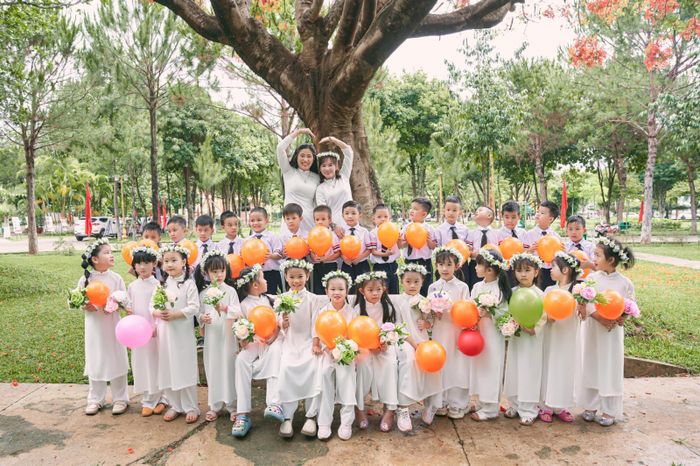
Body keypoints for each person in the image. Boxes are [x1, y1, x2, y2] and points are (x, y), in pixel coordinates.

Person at [579, 237, 636, 427]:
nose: (593, 258)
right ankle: (590, 406)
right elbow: (585, 302)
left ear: (611, 260)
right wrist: (599, 318)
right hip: (594, 329)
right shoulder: (592, 279)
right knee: (592, 364)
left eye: (597, 255)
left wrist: (622, 317)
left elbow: (630, 305)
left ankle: (609, 409)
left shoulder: (625, 283)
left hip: (612, 333)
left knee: (609, 366)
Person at [77, 238, 130, 416]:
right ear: (95, 259)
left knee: (116, 357)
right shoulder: (86, 279)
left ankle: (120, 398)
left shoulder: (116, 278)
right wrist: (84, 305)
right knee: (96, 358)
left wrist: (115, 305)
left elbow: (125, 300)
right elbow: (78, 300)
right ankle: (95, 399)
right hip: (95, 327)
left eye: (111, 252)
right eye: (106, 253)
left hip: (112, 324)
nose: (111, 255)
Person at [231, 265, 284, 438]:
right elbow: (242, 328)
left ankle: (274, 403)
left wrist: (274, 336)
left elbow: (278, 322)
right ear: (255, 285)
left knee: (275, 352)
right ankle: (242, 413)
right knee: (241, 360)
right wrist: (243, 338)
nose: (266, 281)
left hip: (274, 340)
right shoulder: (244, 305)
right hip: (256, 341)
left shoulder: (270, 300)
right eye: (263, 278)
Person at [152, 243, 201, 424]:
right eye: (166, 261)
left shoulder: (188, 284)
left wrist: (176, 315)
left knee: (184, 366)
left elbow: (194, 307)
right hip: (166, 332)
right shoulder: (161, 284)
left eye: (174, 260)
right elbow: (152, 306)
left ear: (184, 262)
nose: (170, 264)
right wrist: (158, 312)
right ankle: (175, 405)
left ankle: (191, 406)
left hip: (182, 332)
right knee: (169, 366)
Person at [393, 263, 443, 428]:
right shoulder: (398, 301)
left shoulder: (425, 301)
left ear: (422, 282)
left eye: (416, 281)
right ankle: (403, 408)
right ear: (402, 282)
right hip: (406, 340)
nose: (412, 285)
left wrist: (426, 324)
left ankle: (431, 405)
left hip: (423, 339)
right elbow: (397, 326)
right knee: (409, 361)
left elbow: (432, 321)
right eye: (408, 281)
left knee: (433, 363)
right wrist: (414, 344)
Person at [195, 249, 241, 423]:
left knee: (229, 367)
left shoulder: (230, 291)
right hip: (213, 335)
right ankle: (214, 405)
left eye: (222, 270)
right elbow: (199, 313)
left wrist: (225, 308)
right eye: (214, 271)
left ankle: (232, 405)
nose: (219, 275)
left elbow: (238, 312)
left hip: (227, 335)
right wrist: (202, 319)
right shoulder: (204, 294)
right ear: (207, 273)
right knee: (213, 367)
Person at [276, 259, 321, 438]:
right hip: (290, 340)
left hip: (308, 341)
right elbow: (277, 322)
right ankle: (287, 416)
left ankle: (311, 416)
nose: (296, 281)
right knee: (286, 368)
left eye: (300, 276)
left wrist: (315, 343)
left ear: (307, 276)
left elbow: (316, 323)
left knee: (313, 366)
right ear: (286, 277)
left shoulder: (313, 299)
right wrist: (283, 322)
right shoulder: (281, 299)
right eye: (292, 277)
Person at [424, 246, 470, 420]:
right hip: (440, 330)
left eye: (449, 265)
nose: (444, 268)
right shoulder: (433, 287)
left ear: (456, 266)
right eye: (441, 264)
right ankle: (440, 402)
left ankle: (457, 403)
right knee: (441, 363)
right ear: (436, 266)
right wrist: (432, 313)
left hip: (456, 330)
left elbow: (467, 310)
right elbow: (427, 311)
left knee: (457, 365)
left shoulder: (462, 287)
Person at [312, 271, 357, 440]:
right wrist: (320, 346)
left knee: (347, 377)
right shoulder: (322, 311)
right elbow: (317, 331)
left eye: (341, 289)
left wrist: (344, 351)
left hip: (345, 353)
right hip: (326, 352)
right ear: (326, 291)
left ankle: (346, 421)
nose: (336, 292)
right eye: (332, 289)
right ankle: (324, 422)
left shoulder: (351, 312)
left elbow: (354, 334)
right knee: (324, 375)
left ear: (347, 291)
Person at [502, 253, 546, 426]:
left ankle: (528, 409)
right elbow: (507, 312)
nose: (523, 274)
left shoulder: (540, 294)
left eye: (527, 270)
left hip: (532, 340)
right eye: (519, 270)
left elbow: (544, 315)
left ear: (536, 272)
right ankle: (514, 404)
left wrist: (534, 328)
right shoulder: (512, 293)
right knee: (514, 369)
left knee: (529, 371)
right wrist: (508, 325)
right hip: (516, 338)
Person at [469, 248, 512, 422]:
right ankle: (481, 401)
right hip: (479, 333)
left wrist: (490, 313)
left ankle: (491, 408)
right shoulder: (477, 287)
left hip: (493, 334)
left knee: (491, 367)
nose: (475, 267)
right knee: (480, 366)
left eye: (478, 265)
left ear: (489, 270)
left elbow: (505, 312)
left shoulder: (500, 289)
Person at [354, 271, 400, 432]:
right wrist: (366, 345)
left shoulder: (388, 307)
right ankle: (359, 408)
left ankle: (390, 409)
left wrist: (386, 342)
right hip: (364, 347)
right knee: (362, 365)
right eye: (370, 290)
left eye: (378, 289)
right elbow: (354, 332)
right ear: (362, 291)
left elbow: (393, 329)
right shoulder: (358, 309)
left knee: (390, 363)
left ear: (384, 289)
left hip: (383, 346)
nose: (375, 293)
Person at [540, 252, 581, 424]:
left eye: (553, 266)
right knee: (549, 366)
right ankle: (545, 405)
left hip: (568, 335)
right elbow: (542, 311)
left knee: (564, 368)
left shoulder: (578, 291)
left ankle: (561, 406)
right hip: (551, 334)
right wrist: (547, 317)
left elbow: (582, 313)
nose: (550, 269)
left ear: (565, 270)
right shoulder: (549, 290)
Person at [127, 246, 167, 417]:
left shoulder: (158, 285)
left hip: (153, 331)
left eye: (146, 263)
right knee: (141, 363)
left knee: (155, 362)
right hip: (138, 332)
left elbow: (161, 306)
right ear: (134, 266)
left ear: (154, 264)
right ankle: (147, 398)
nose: (142, 267)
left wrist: (156, 326)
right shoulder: (132, 286)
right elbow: (130, 308)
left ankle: (160, 398)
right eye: (138, 264)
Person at [277, 128, 320, 234]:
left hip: (310, 222)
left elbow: (317, 202)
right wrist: (298, 132)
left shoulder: (317, 177)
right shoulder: (288, 171)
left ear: (313, 159)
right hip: (290, 223)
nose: (305, 159)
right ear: (296, 157)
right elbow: (280, 148)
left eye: (309, 156)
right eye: (302, 155)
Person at [399, 197, 438, 296]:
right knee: (410, 286)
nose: (411, 210)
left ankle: (425, 303)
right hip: (410, 261)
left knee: (426, 285)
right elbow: (400, 245)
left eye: (415, 209)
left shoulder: (429, 229)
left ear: (424, 214)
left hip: (425, 261)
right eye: (411, 208)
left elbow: (433, 246)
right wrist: (406, 241)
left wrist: (428, 241)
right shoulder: (406, 227)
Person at [314, 136, 354, 229]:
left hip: (351, 223)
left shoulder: (344, 177)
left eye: (330, 165)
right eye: (323, 166)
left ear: (336, 166)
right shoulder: (320, 189)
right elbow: (323, 212)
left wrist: (333, 139)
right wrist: (334, 227)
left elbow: (349, 152)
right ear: (320, 169)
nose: (327, 169)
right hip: (334, 228)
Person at [245, 207, 284, 294]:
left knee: (271, 295)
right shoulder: (247, 241)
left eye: (259, 220)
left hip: (271, 273)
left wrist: (271, 256)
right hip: (255, 274)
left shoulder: (272, 237)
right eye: (252, 220)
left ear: (266, 220)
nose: (255, 223)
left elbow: (279, 254)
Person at [526, 201, 561, 290]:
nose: (538, 214)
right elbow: (523, 254)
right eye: (538, 211)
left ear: (550, 219)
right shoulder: (528, 235)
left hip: (551, 272)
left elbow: (559, 256)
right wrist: (529, 250)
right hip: (534, 271)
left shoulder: (556, 237)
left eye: (542, 213)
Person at [340, 200, 373, 290]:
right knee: (348, 287)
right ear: (342, 216)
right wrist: (344, 258)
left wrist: (359, 258)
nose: (350, 216)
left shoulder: (364, 231)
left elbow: (369, 249)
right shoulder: (341, 232)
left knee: (363, 287)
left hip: (362, 264)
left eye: (353, 213)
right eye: (347, 213)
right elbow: (339, 249)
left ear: (360, 215)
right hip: (347, 264)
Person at [497, 201, 531, 287]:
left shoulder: (523, 233)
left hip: (520, 270)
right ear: (502, 216)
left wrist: (529, 250)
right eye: (507, 217)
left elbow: (526, 250)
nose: (510, 220)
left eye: (513, 217)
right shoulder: (497, 234)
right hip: (504, 270)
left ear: (519, 216)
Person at [436, 196, 469, 282]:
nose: (451, 213)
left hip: (462, 263)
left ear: (460, 212)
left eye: (454, 210)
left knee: (463, 283)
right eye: (448, 210)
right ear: (444, 211)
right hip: (446, 264)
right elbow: (438, 247)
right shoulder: (439, 230)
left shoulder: (464, 229)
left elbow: (467, 245)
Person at [369, 204, 400, 294]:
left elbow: (399, 245)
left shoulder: (394, 230)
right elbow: (373, 251)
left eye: (385, 217)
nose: (383, 219)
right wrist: (385, 254)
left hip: (392, 265)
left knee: (394, 289)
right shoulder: (373, 233)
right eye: (379, 217)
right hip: (379, 266)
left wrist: (400, 240)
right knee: (381, 290)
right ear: (373, 219)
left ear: (389, 218)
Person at [465, 206, 499, 289]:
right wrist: (471, 253)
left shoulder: (496, 233)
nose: (476, 211)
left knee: (490, 285)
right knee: (474, 285)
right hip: (475, 263)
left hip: (490, 265)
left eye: (480, 210)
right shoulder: (472, 233)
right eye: (476, 210)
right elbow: (468, 250)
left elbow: (497, 250)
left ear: (489, 216)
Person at [310, 205, 341, 295]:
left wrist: (326, 258)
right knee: (318, 288)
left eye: (323, 219)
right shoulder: (313, 234)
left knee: (330, 286)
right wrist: (313, 257)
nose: (320, 222)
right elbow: (311, 250)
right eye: (317, 219)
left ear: (330, 220)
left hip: (330, 265)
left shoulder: (332, 235)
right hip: (317, 265)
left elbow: (338, 253)